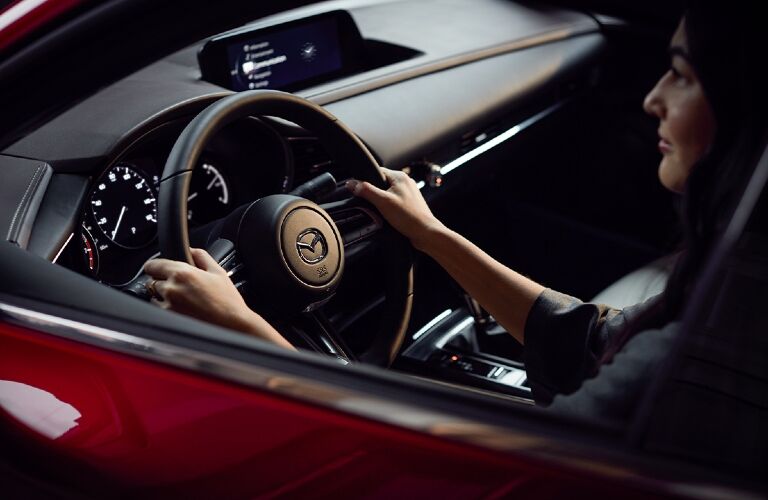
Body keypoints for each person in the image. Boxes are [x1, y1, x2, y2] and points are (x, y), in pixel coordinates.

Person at [144, 3, 767, 419]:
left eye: (682, 76)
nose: (653, 97)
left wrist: (244, 335)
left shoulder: (687, 369)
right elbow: (588, 340)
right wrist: (430, 234)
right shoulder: (733, 279)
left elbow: (463, 468)